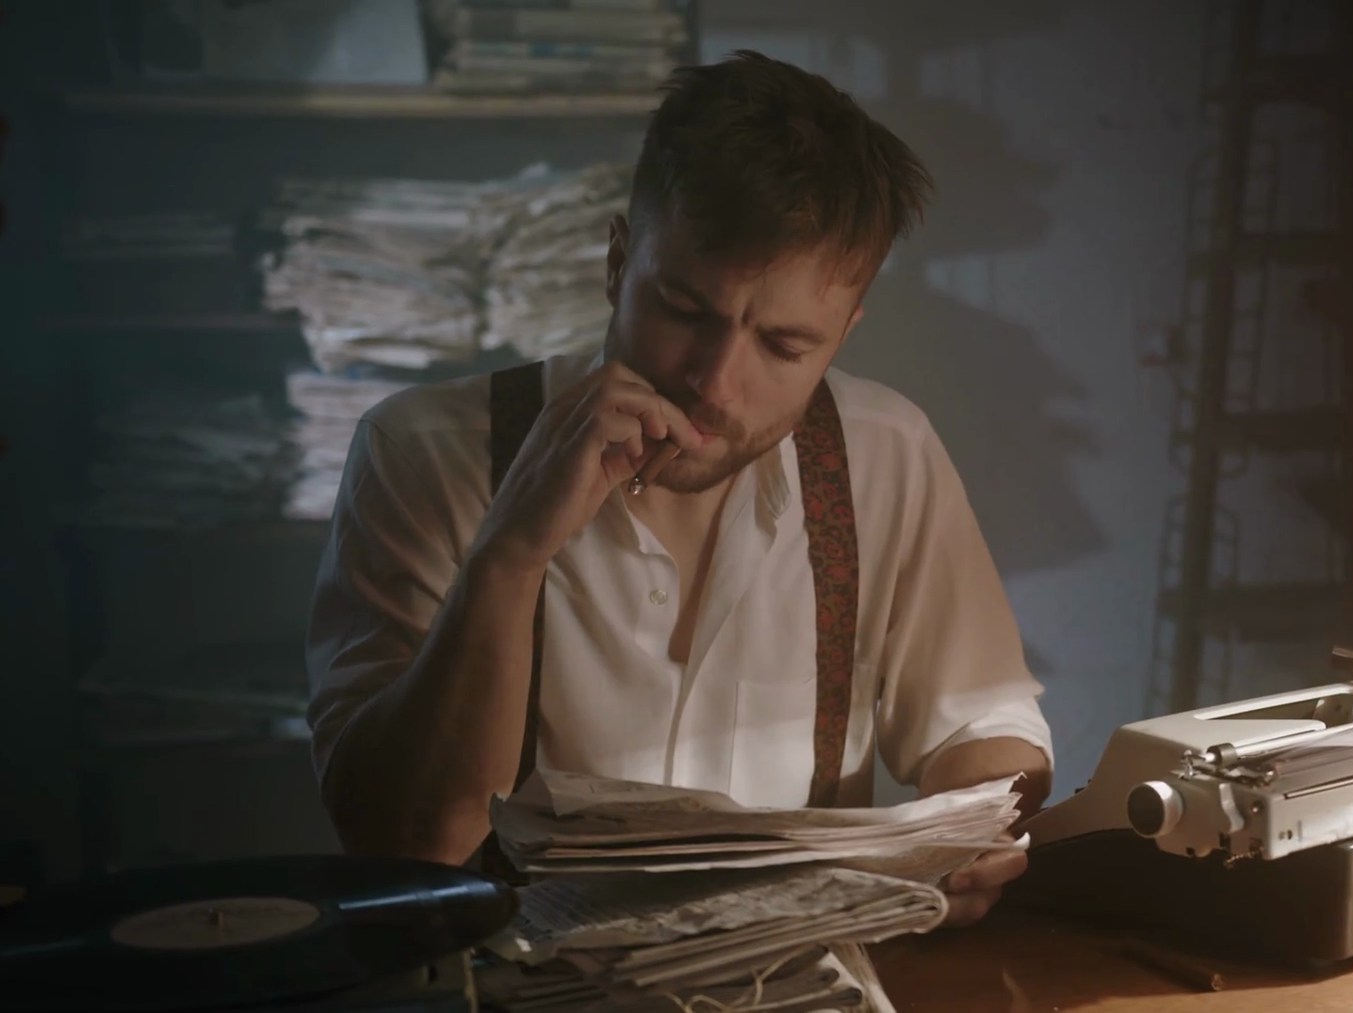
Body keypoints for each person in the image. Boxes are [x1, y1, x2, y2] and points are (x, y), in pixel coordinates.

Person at [303, 51, 1053, 927]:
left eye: (783, 346)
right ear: (618, 261)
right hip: (507, 980)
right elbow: (405, 840)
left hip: (795, 976)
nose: (715, 382)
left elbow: (982, 724)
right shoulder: (420, 453)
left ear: (843, 334)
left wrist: (972, 830)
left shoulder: (886, 451)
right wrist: (509, 554)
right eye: (685, 310)